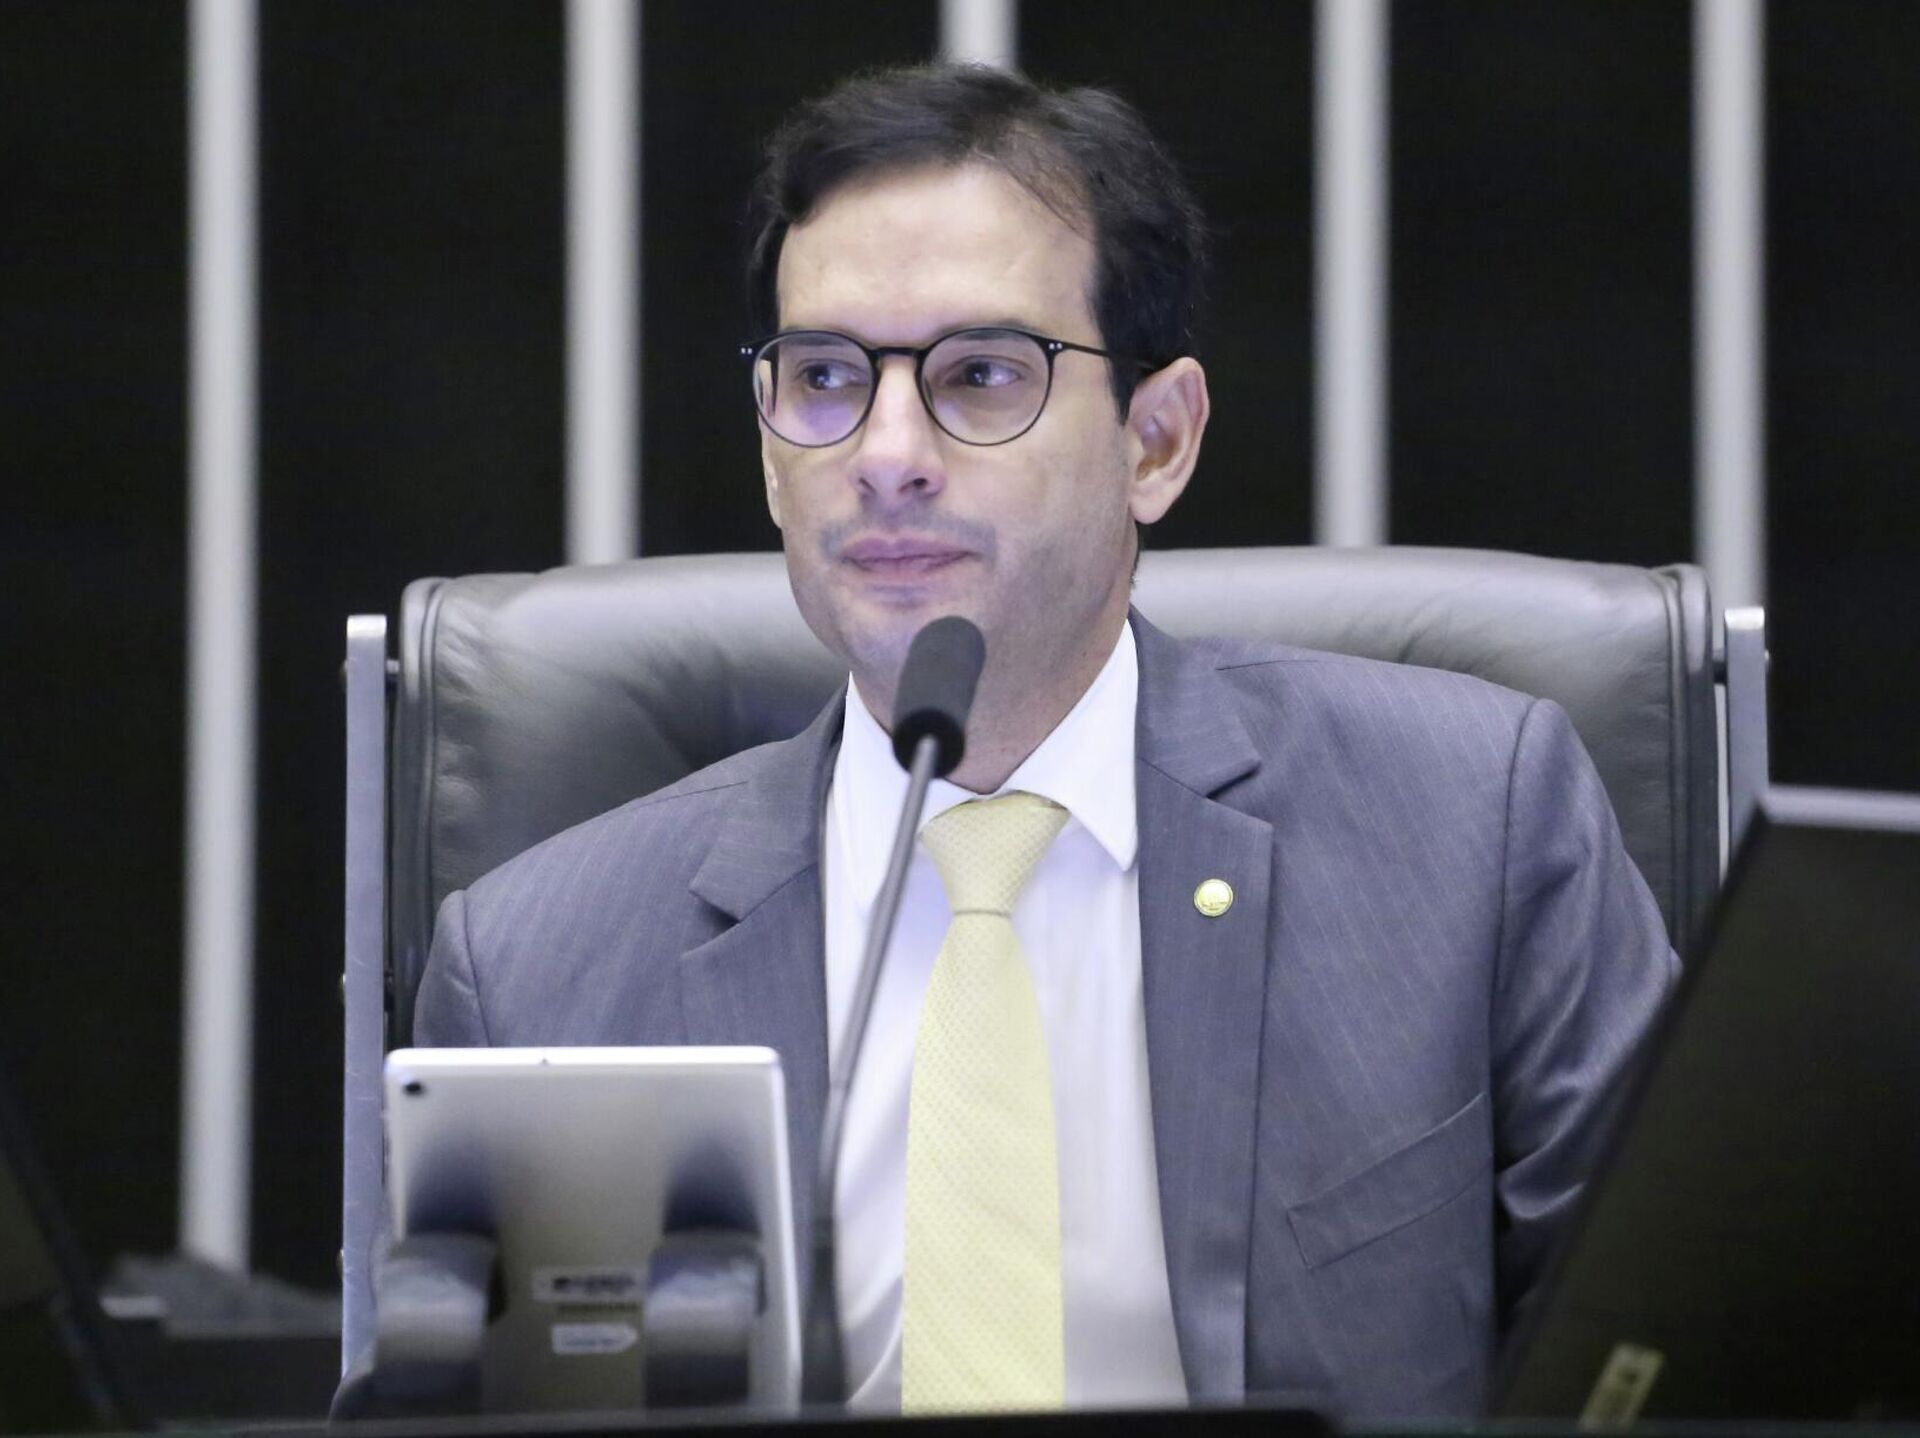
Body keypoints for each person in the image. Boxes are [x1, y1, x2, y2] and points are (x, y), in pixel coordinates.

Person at [415, 64, 1676, 1421]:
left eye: (980, 376)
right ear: (773, 452)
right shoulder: (537, 971)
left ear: (1157, 441)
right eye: (826, 378)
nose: (887, 453)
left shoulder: (1473, 831)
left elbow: (1679, 1357)